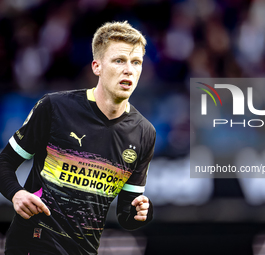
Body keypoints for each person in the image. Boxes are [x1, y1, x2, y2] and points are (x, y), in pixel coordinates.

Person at [0, 21, 156, 255]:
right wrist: (16, 193)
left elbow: (127, 215)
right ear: (97, 66)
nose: (129, 70)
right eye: (119, 61)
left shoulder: (144, 133)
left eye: (136, 62)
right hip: (33, 243)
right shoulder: (54, 107)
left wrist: (143, 211)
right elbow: (4, 163)